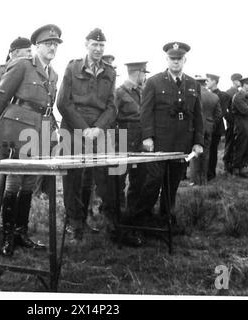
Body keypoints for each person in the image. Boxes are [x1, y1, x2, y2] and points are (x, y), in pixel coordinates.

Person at [0, 24, 62, 256]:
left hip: (41, 129)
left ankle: (21, 233)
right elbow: (0, 99)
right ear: (37, 46)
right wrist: (8, 126)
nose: (52, 47)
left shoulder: (53, 73)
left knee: (30, 182)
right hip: (19, 128)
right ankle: (7, 236)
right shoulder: (22, 65)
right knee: (14, 182)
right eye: (48, 43)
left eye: (55, 44)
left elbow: (48, 105)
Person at [124, 42, 204, 238]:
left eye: (179, 58)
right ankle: (139, 221)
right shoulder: (154, 82)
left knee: (173, 183)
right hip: (158, 144)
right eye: (172, 58)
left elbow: (198, 116)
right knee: (152, 182)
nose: (176, 62)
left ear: (185, 60)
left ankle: (166, 220)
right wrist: (148, 137)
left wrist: (198, 142)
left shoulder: (193, 85)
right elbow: (146, 112)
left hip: (181, 145)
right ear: (166, 60)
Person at [56, 28, 117, 242]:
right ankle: (74, 223)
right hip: (73, 127)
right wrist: (84, 129)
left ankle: (84, 219)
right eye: (94, 44)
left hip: (98, 130)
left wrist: (98, 128)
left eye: (101, 45)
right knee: (72, 176)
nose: (98, 49)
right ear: (86, 45)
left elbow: (112, 107)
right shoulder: (72, 67)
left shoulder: (110, 71)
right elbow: (63, 102)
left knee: (90, 177)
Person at [0, 37, 33, 226]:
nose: (31, 55)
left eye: (31, 51)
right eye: (26, 52)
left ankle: (12, 226)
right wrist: (6, 124)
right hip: (4, 130)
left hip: (21, 131)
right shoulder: (2, 70)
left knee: (17, 178)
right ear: (14, 54)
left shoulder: (31, 71)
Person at [114, 62, 148, 214]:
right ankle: (117, 213)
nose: (145, 76)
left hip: (140, 140)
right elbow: (111, 118)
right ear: (138, 73)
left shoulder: (142, 92)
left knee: (139, 178)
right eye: (144, 73)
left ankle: (132, 213)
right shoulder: (119, 92)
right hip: (123, 138)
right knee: (119, 178)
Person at [189, 76, 221, 185]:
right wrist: (211, 124)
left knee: (194, 154)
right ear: (204, 83)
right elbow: (218, 114)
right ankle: (204, 180)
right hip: (208, 128)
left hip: (194, 129)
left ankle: (195, 180)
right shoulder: (214, 96)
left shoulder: (192, 96)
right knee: (206, 154)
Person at [206, 73, 231, 180]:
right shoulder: (205, 94)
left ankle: (211, 174)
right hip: (205, 127)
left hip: (215, 128)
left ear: (214, 81)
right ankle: (203, 173)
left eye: (208, 80)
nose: (206, 82)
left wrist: (210, 124)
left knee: (212, 152)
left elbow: (221, 113)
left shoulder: (223, 96)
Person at [231, 77, 248, 178]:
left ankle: (243, 168)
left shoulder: (247, 96)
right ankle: (235, 170)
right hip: (241, 125)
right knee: (240, 147)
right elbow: (245, 111)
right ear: (244, 85)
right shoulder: (238, 96)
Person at [224, 73, 243, 173]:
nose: (241, 82)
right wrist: (230, 120)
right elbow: (224, 110)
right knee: (230, 143)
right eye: (240, 80)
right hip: (232, 123)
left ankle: (234, 165)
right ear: (235, 81)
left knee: (237, 143)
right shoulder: (228, 92)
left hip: (239, 123)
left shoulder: (240, 92)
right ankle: (227, 166)